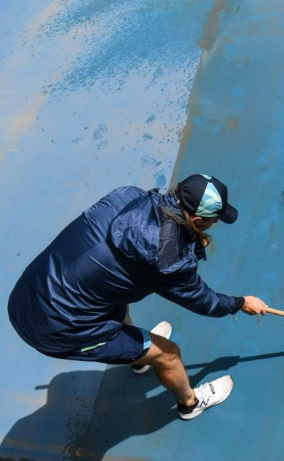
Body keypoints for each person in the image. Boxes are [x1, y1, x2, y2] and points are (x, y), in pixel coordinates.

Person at [7, 174, 269, 420]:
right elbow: (206, 302)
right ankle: (190, 403)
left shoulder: (126, 196)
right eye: (213, 221)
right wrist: (241, 303)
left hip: (27, 295)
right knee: (169, 355)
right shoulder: (170, 260)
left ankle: (137, 358)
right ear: (198, 222)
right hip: (58, 329)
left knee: (121, 285)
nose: (214, 225)